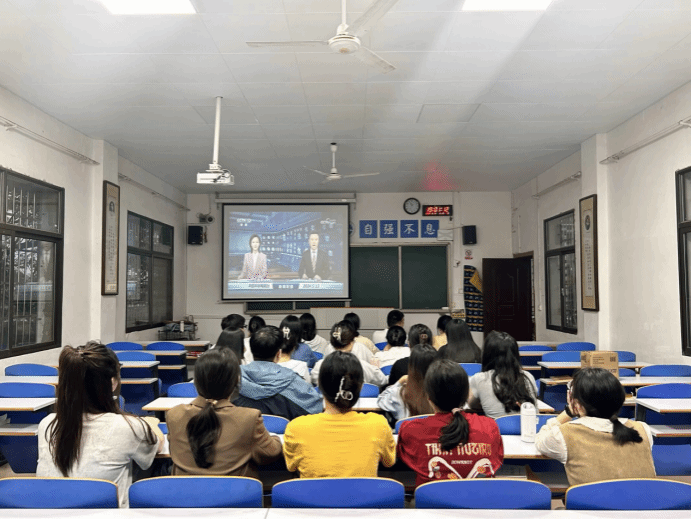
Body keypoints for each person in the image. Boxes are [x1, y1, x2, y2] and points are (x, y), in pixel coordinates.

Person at [37, 343, 164, 508]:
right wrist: (151, 424)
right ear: (112, 383)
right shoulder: (128, 427)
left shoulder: (48, 424)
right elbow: (157, 447)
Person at [166, 348, 282, 477]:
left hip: (183, 490)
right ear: (236, 381)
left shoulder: (174, 414)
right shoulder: (249, 418)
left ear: (196, 381)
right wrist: (274, 438)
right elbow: (271, 453)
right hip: (234, 490)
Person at [283, 351, 396, 478]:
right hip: (362, 492)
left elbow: (291, 466)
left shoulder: (296, 428)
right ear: (360, 387)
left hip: (315, 492)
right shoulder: (379, 425)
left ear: (319, 385)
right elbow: (389, 462)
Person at [536, 367, 655, 486]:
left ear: (576, 402)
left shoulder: (563, 435)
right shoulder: (642, 429)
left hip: (592, 499)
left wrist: (568, 412)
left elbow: (540, 441)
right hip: (644, 498)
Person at [397, 360, 504, 487]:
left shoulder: (410, 430)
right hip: (481, 498)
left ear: (429, 397)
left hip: (433, 499)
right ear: (466, 395)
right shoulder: (490, 427)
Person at [233, 326, 322, 420]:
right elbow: (316, 409)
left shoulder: (232, 377)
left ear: (251, 350)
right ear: (279, 354)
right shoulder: (293, 381)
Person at [467, 331, 537, 419]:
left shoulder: (480, 378)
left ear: (487, 354)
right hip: (529, 425)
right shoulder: (528, 376)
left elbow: (472, 405)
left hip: (497, 427)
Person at [310, 321, 387, 388]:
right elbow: (382, 380)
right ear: (351, 343)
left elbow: (314, 380)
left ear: (332, 343)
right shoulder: (362, 366)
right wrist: (375, 368)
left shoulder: (319, 366)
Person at [377, 343, 437, 422]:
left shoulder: (399, 393)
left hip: (407, 430)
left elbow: (381, 400)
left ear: (411, 367)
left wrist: (399, 382)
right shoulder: (444, 392)